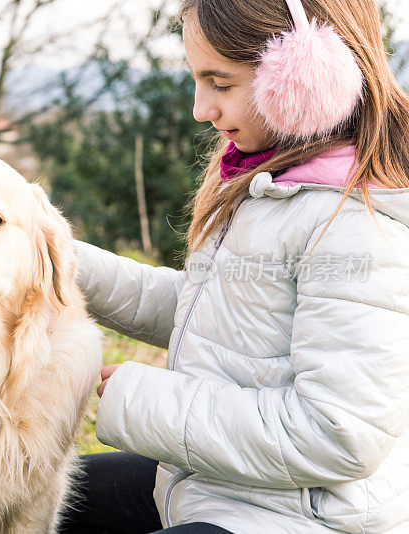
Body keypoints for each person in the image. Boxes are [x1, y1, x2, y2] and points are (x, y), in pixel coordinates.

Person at [59, 0, 409, 532]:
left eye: (220, 84)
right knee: (43, 496)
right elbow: (215, 312)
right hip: (225, 484)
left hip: (306, 518)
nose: (201, 108)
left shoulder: (353, 223)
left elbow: (337, 435)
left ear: (307, 78)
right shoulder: (276, 186)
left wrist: (145, 399)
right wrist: (60, 260)